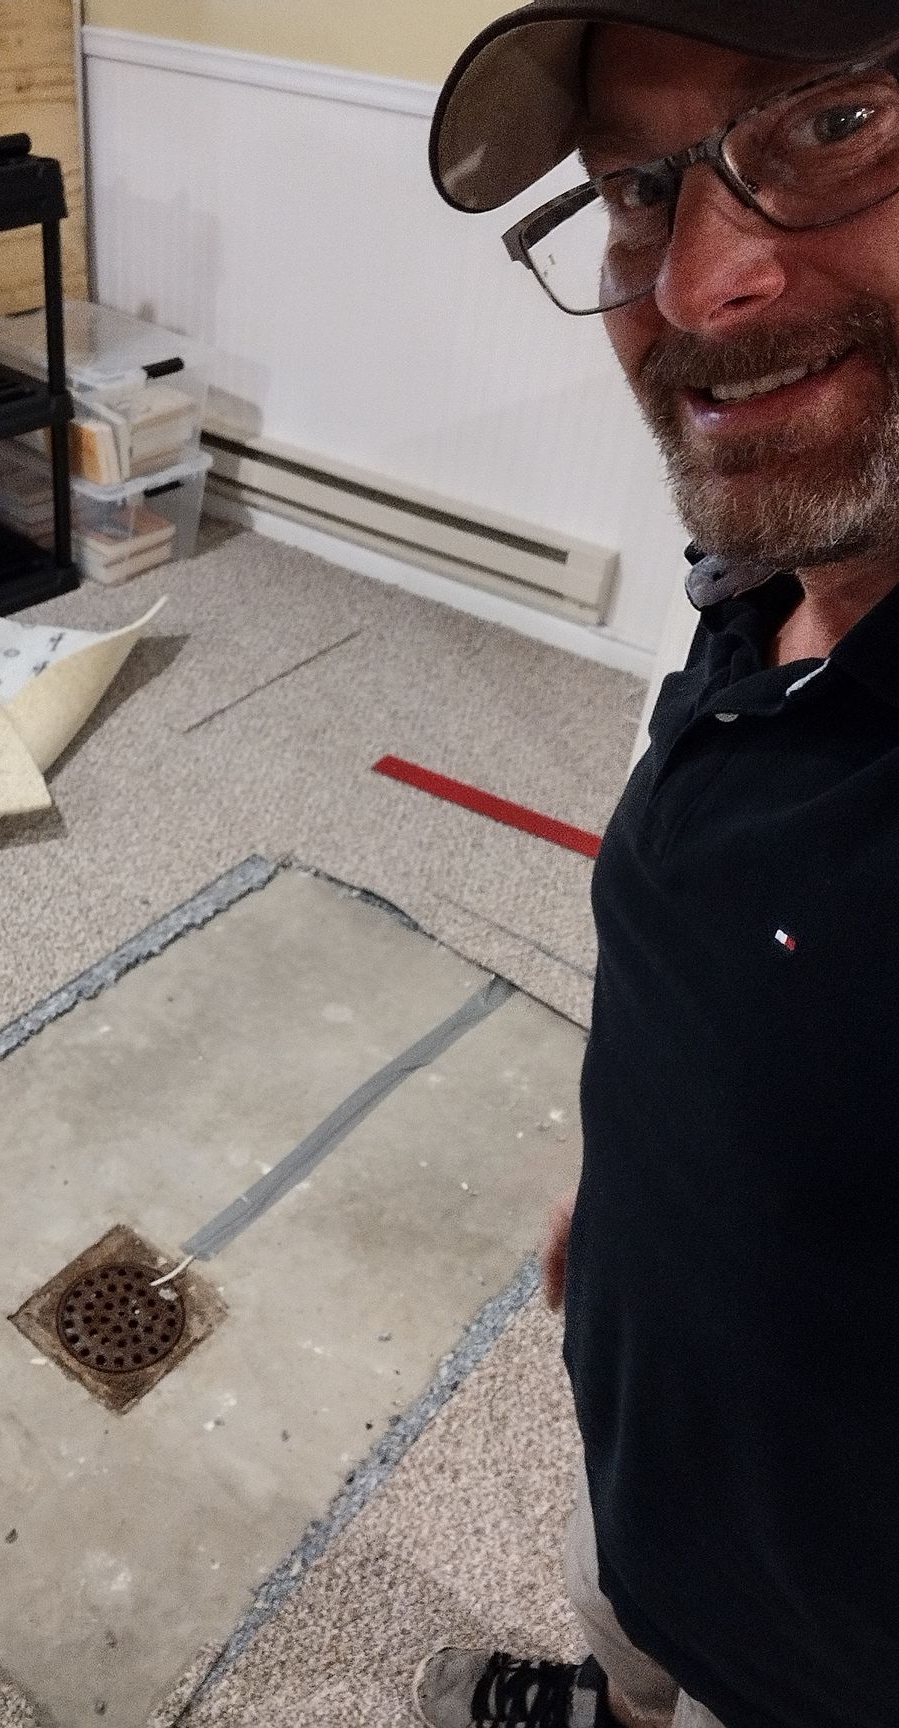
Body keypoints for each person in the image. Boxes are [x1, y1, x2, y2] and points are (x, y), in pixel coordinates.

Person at [412, 5, 899, 1727]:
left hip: (811, 1653)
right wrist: (635, 1193)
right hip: (655, 1418)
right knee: (623, 1611)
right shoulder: (766, 573)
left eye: (835, 127)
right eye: (636, 187)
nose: (697, 287)